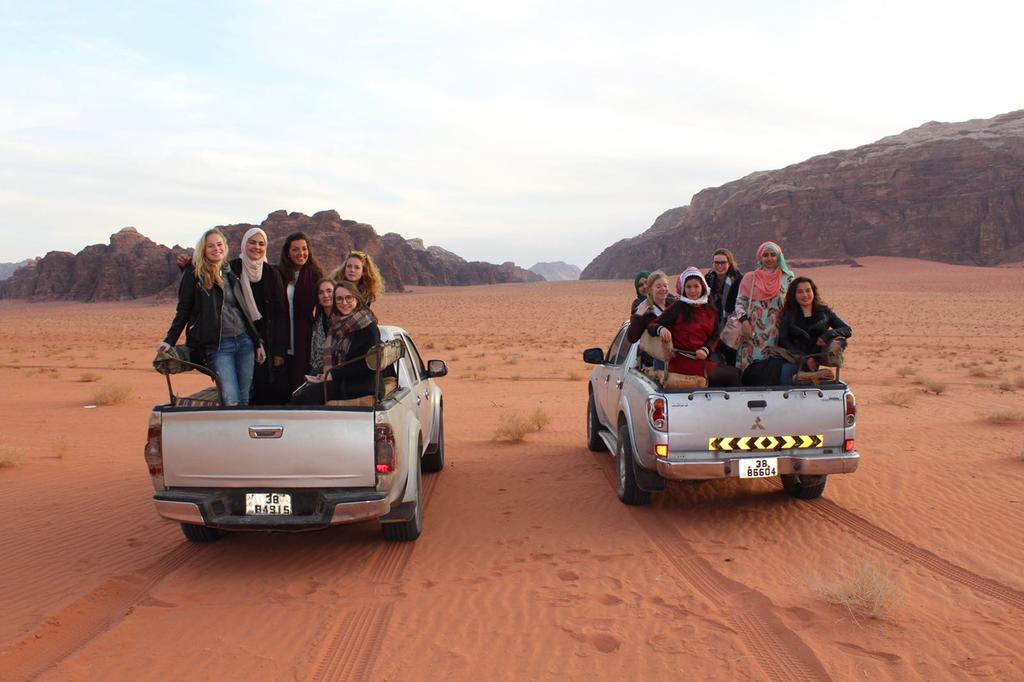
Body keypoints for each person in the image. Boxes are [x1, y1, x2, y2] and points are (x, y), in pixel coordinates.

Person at [160, 229, 266, 406]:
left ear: (225, 247)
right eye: (210, 246)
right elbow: (184, 310)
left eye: (219, 244)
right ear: (203, 249)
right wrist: (169, 341)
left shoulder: (230, 274)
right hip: (219, 347)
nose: (216, 249)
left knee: (245, 397)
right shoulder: (194, 275)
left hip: (244, 342)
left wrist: (256, 342)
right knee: (231, 400)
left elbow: (243, 311)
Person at [290, 282, 381, 405]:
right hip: (344, 380)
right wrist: (323, 375)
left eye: (349, 297)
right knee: (301, 391)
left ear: (357, 299)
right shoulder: (336, 325)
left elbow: (368, 365)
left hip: (362, 385)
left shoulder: (367, 326)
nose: (344, 303)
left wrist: (332, 375)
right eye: (339, 299)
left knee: (306, 397)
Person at [649, 267, 741, 387]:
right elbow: (653, 325)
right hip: (683, 361)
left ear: (702, 286)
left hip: (701, 359)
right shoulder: (678, 306)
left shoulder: (710, 308)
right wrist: (661, 329)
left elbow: (715, 335)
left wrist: (706, 349)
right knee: (733, 376)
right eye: (688, 287)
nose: (692, 291)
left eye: (696, 286)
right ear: (683, 289)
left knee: (737, 373)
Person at [777, 277, 852, 384]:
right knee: (785, 372)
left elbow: (847, 329)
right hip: (794, 360)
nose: (805, 295)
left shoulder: (825, 313)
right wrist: (804, 358)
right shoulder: (789, 314)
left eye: (808, 290)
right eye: (800, 292)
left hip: (814, 362)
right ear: (794, 295)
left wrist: (828, 334)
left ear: (813, 291)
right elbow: (783, 340)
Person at [278, 232, 325, 391]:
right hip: (283, 335)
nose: (301, 253)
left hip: (305, 335)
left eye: (304, 249)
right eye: (295, 249)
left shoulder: (315, 275)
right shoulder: (279, 275)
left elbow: (323, 308)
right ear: (288, 253)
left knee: (302, 379)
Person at [705, 248, 743, 366]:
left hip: (732, 323)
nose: (719, 266)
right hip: (712, 322)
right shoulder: (708, 278)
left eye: (723, 262)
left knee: (730, 352)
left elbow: (742, 302)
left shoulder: (737, 279)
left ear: (729, 263)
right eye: (716, 262)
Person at [308, 278, 336, 377]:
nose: (325, 295)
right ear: (318, 299)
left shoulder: (342, 320)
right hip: (319, 369)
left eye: (329, 291)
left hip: (337, 372)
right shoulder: (318, 323)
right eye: (321, 292)